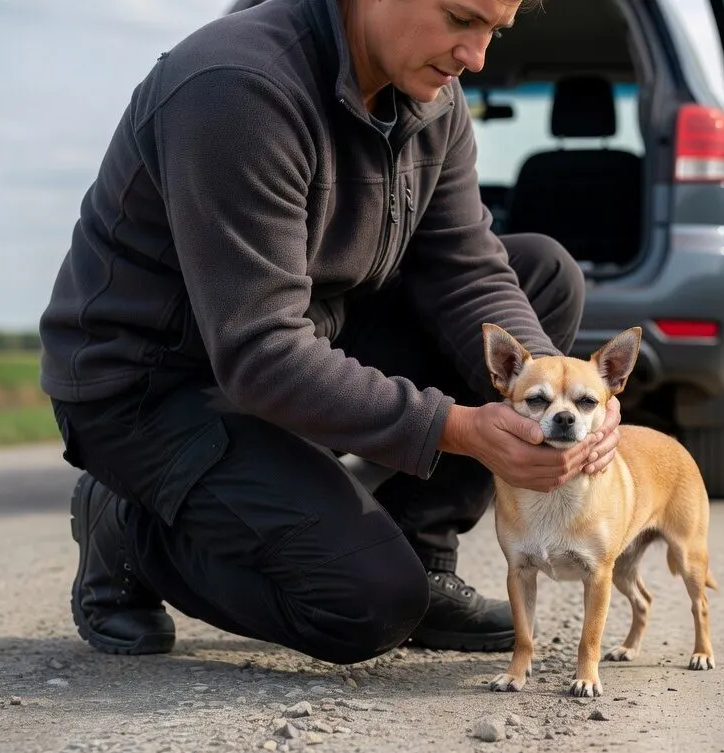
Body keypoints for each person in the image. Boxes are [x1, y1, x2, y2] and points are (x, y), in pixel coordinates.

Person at [37, 0, 623, 665]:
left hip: (304, 339)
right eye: (462, 18)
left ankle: (422, 556)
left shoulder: (432, 97)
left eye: (494, 30)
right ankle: (131, 528)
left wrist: (563, 385)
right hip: (155, 388)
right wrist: (454, 428)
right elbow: (259, 348)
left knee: (541, 274)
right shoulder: (238, 86)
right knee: (367, 607)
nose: (476, 56)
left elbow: (466, 268)